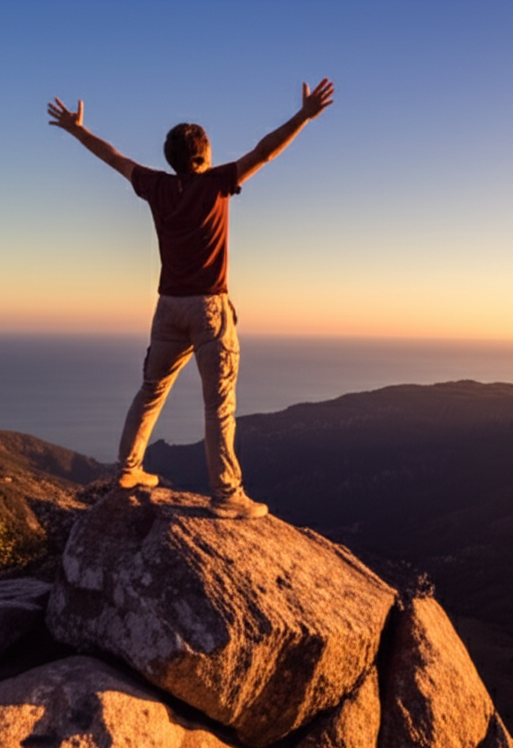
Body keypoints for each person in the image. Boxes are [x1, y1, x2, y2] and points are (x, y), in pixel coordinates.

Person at [47, 78, 335, 518]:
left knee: (151, 389)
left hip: (168, 309)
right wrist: (304, 117)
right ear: (202, 157)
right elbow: (265, 150)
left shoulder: (156, 186)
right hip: (208, 309)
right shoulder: (217, 183)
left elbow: (115, 158)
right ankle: (227, 495)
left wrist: (76, 130)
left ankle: (128, 469)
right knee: (219, 404)